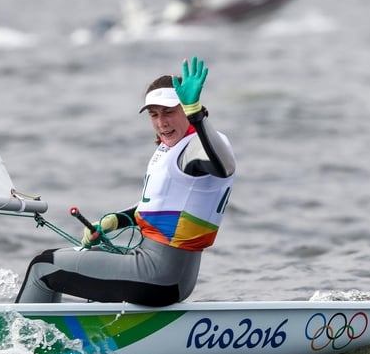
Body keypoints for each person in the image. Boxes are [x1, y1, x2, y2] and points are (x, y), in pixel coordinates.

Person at [15, 57, 236, 306]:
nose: (161, 122)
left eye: (169, 112)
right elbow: (164, 204)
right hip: (169, 277)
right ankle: (57, 325)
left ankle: (18, 331)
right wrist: (115, 220)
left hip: (158, 276)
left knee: (42, 266)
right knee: (85, 258)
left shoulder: (199, 145)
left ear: (186, 109)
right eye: (154, 114)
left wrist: (197, 114)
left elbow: (223, 167)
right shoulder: (172, 149)